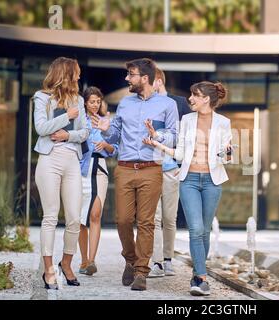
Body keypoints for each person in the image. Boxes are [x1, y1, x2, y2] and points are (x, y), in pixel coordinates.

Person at [92, 58, 178, 291]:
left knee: (147, 222)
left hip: (152, 168)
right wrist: (106, 129)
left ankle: (141, 271)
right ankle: (130, 260)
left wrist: (156, 135)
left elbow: (174, 137)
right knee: (123, 220)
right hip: (125, 168)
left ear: (145, 78)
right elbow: (114, 135)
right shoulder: (125, 103)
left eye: (131, 74)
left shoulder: (167, 105)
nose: (127, 79)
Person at [143, 81, 232, 296]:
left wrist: (228, 153)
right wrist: (159, 145)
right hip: (189, 180)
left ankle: (197, 275)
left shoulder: (223, 123)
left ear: (206, 99)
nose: (189, 99)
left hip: (213, 181)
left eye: (194, 95)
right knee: (195, 228)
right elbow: (181, 154)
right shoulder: (187, 120)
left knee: (205, 231)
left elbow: (227, 157)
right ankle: (200, 278)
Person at [33, 57, 89, 289]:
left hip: (71, 162)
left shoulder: (79, 100)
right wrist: (66, 117)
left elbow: (85, 132)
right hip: (49, 160)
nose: (78, 76)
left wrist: (68, 135)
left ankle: (66, 263)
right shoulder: (42, 97)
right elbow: (41, 128)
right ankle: (48, 269)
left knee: (75, 217)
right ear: (65, 74)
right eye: (75, 73)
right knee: (50, 217)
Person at [148, 67, 192, 278]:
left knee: (169, 217)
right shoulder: (145, 105)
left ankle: (168, 260)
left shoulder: (180, 103)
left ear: (157, 81)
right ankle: (155, 262)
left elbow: (188, 137)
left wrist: (182, 165)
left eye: (149, 81)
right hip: (150, 168)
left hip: (171, 168)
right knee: (153, 218)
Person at [78, 87, 118, 276]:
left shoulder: (106, 122)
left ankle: (92, 260)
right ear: (85, 102)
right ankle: (83, 260)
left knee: (95, 214)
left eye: (98, 101)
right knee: (80, 218)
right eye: (92, 101)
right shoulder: (79, 120)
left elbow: (116, 148)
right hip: (80, 169)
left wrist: (106, 144)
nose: (95, 104)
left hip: (99, 167)